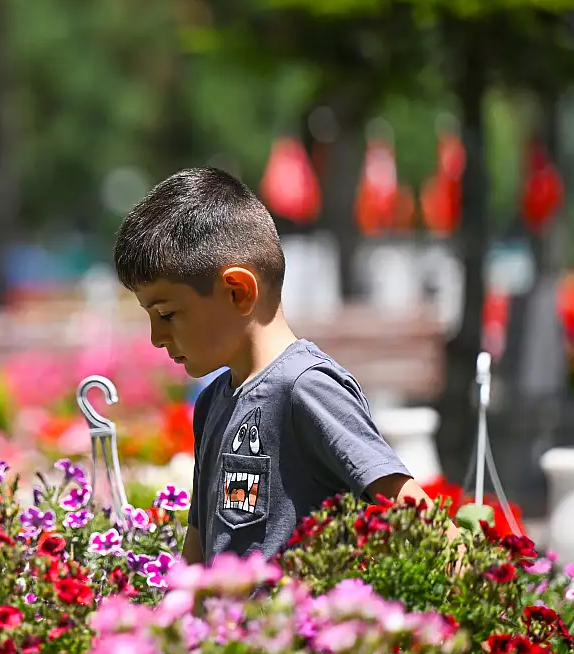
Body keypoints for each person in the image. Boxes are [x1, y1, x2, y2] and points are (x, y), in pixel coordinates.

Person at [113, 166, 432, 566]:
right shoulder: (213, 401)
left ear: (238, 291)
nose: (156, 337)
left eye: (167, 313)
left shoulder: (307, 387)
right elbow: (196, 550)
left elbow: (416, 513)